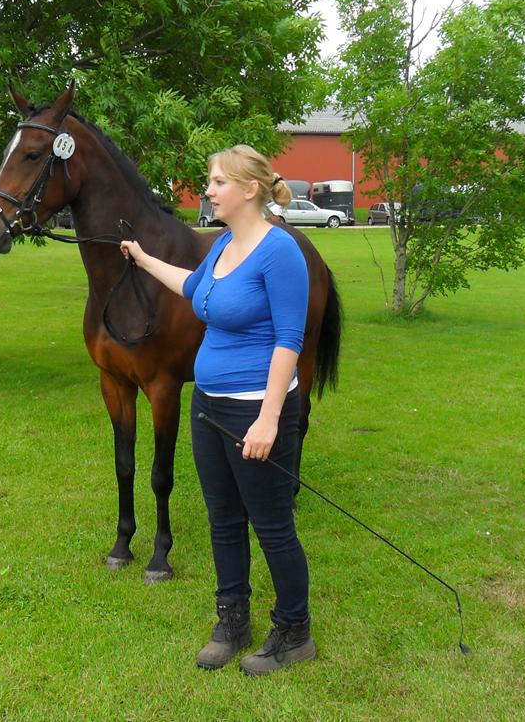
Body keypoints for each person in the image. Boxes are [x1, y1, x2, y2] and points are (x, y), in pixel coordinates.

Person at [120, 145, 314, 675]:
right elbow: (192, 286)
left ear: (249, 189)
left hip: (255, 409)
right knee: (223, 520)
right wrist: (140, 258)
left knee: (272, 526)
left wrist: (270, 418)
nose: (208, 190)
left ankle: (295, 631)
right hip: (208, 407)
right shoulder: (225, 245)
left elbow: (289, 339)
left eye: (216, 182)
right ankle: (233, 620)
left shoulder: (280, 252)